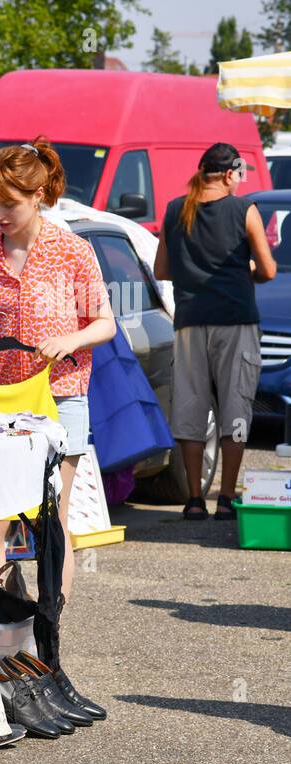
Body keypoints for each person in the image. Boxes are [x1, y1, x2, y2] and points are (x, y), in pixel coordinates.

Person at [0, 136, 116, 604]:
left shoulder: (73, 252)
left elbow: (105, 323)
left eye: (9, 205)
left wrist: (69, 339)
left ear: (39, 197)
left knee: (53, 515)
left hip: (60, 394)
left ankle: (50, 627)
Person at [154, 143, 276, 520]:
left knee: (191, 410)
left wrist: (195, 275)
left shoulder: (175, 210)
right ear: (228, 174)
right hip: (235, 320)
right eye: (239, 175)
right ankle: (225, 498)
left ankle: (193, 499)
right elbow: (268, 270)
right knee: (235, 408)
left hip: (190, 322)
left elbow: (161, 270)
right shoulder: (244, 210)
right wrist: (248, 272)